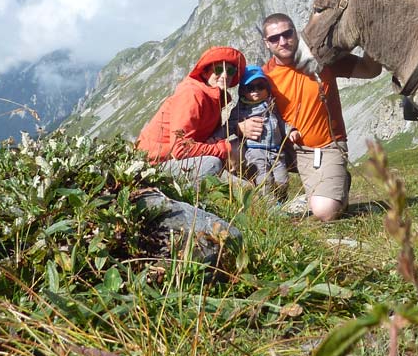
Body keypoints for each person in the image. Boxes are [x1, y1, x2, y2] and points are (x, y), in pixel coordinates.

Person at [260, 13, 381, 221]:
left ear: (295, 33)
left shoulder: (323, 59)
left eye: (287, 34)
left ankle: (336, 183)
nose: (282, 41)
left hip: (324, 148)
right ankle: (272, 202)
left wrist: (369, 34)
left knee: (324, 212)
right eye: (274, 38)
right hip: (285, 151)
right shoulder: (264, 77)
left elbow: (370, 70)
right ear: (266, 43)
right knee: (239, 152)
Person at [136, 46, 264, 182]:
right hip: (154, 166)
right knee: (213, 163)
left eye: (231, 71)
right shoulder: (191, 94)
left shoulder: (214, 98)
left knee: (240, 163)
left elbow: (207, 140)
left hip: (178, 162)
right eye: (218, 69)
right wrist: (226, 149)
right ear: (205, 72)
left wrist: (236, 130)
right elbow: (180, 149)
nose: (225, 75)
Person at [228, 65, 290, 200]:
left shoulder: (272, 105)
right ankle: (268, 206)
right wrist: (239, 127)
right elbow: (230, 125)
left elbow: (281, 122)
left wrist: (291, 131)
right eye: (250, 88)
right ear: (243, 91)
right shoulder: (240, 109)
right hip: (255, 150)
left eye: (260, 86)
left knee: (282, 181)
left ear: (267, 89)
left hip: (276, 151)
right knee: (264, 178)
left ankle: (281, 202)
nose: (256, 91)